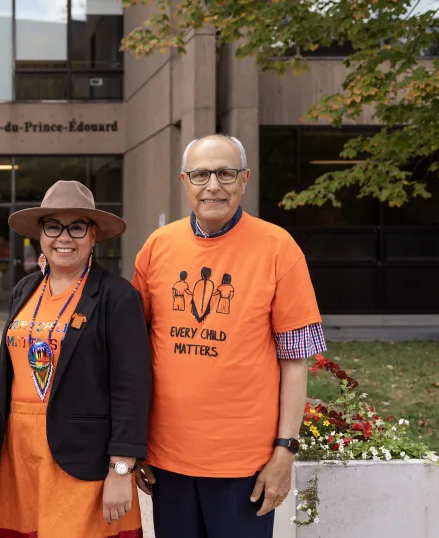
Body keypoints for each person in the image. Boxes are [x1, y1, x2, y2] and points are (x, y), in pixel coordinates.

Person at [131, 134, 326, 538]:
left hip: (245, 465)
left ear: (244, 179)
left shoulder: (278, 248)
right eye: (201, 174)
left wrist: (284, 451)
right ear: (185, 181)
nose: (213, 185)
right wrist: (135, 445)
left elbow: (296, 360)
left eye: (225, 173)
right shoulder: (156, 247)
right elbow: (132, 352)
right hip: (168, 459)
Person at [0, 180, 152, 538]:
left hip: (84, 456)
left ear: (92, 235)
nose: (63, 237)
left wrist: (121, 468)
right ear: (41, 234)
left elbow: (132, 387)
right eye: (53, 226)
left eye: (76, 227)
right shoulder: (25, 289)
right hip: (20, 453)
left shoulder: (117, 297)